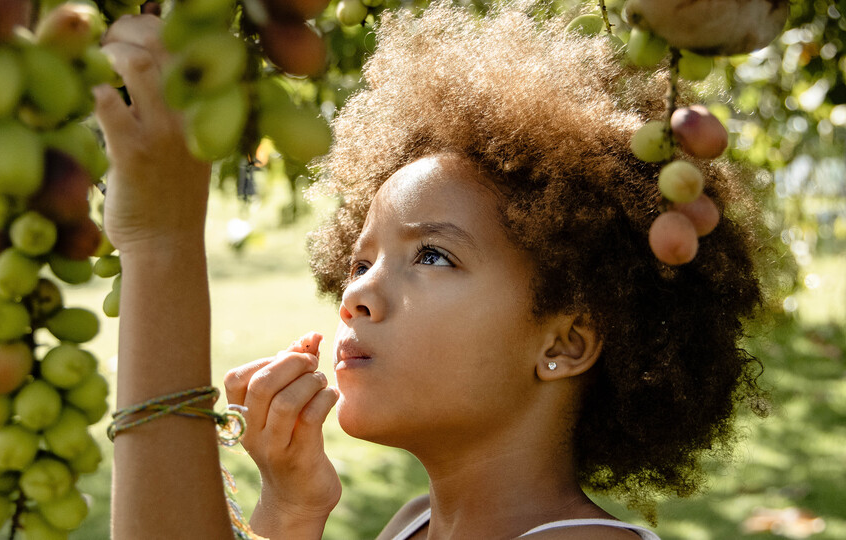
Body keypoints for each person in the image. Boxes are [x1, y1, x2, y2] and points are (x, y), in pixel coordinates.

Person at [92, 2, 767, 538]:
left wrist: (162, 244)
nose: (358, 293)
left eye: (433, 255)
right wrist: (292, 512)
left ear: (564, 342)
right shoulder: (414, 525)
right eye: (360, 261)